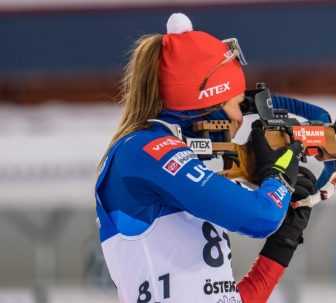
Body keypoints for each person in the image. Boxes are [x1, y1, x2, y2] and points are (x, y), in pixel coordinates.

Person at [95, 13, 319, 303]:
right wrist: (280, 173)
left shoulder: (156, 156)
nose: (241, 119)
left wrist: (283, 242)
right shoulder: (142, 150)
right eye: (238, 105)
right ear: (208, 102)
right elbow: (260, 216)